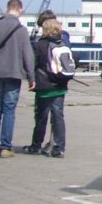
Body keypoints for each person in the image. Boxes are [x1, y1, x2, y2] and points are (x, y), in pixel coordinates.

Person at [0, 0, 36, 157]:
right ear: (20, 9)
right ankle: (5, 146)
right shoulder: (21, 30)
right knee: (9, 110)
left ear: (8, 8)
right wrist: (31, 77)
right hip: (14, 74)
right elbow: (28, 55)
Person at [25, 18, 69, 157]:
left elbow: (33, 64)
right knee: (58, 117)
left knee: (41, 117)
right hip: (60, 85)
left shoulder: (40, 45)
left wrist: (31, 80)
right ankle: (59, 148)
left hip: (44, 86)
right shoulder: (63, 44)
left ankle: (36, 145)